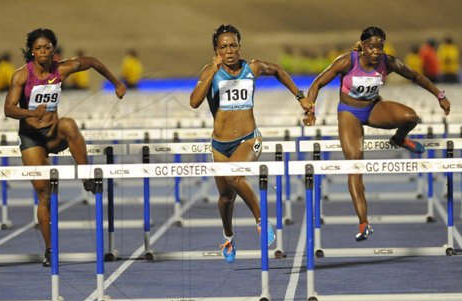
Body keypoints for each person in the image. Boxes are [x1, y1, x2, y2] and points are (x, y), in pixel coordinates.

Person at [305, 26, 451, 242]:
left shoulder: (387, 62)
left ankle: (399, 139)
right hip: (349, 114)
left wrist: (439, 95)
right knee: (355, 164)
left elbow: (415, 76)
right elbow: (317, 83)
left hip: (373, 109)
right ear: (362, 46)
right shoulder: (347, 61)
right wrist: (310, 110)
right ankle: (364, 222)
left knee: (411, 117)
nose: (376, 51)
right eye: (372, 46)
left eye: (379, 47)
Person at [189, 24, 313, 263]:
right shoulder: (209, 71)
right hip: (219, 145)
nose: (229, 51)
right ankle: (228, 236)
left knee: (236, 177)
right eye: (223, 47)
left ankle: (261, 219)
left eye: (233, 45)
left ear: (239, 46)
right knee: (226, 197)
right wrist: (212, 72)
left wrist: (300, 96)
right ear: (216, 50)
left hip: (249, 139)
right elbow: (194, 102)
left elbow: (276, 70)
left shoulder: (251, 67)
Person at [4, 28, 126, 267]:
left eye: (47, 47)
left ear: (53, 50)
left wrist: (116, 82)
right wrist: (31, 112)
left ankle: (85, 176)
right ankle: (50, 249)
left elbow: (91, 62)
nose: (43, 52)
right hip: (32, 139)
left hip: (53, 133)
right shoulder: (21, 76)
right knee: (44, 194)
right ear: (32, 51)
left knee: (69, 124)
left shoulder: (61, 69)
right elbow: (8, 109)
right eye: (38, 48)